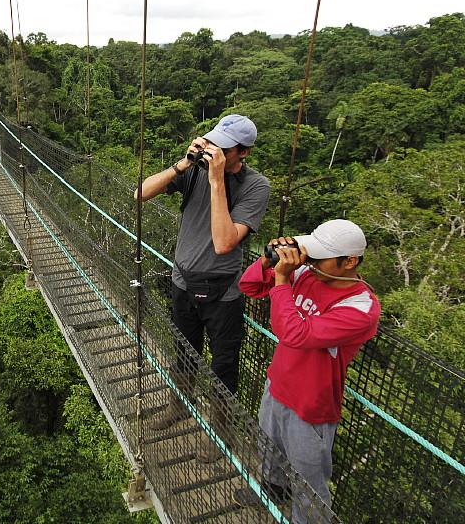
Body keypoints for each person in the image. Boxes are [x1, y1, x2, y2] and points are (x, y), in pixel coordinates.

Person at [137, 114, 270, 461]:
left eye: (224, 149)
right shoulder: (194, 171)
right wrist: (182, 166)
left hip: (222, 293)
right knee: (183, 352)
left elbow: (225, 242)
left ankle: (221, 434)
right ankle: (178, 406)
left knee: (223, 367)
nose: (215, 152)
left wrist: (215, 183)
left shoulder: (256, 187)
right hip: (182, 281)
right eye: (213, 143)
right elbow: (141, 193)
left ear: (244, 152)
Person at [236, 219, 380, 522]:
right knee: (268, 447)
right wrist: (268, 261)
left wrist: (282, 280)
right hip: (277, 384)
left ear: (349, 261)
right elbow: (248, 286)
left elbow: (295, 333)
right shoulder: (306, 273)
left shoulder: (360, 308)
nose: (310, 262)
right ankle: (273, 489)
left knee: (308, 480)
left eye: (319, 257)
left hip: (311, 406)